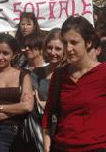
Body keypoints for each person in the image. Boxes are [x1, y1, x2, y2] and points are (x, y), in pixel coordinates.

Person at [42, 16, 106, 151]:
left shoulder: (103, 73)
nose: (68, 48)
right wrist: (46, 144)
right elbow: (48, 113)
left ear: (88, 43)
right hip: (62, 147)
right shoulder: (59, 75)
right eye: (65, 43)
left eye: (74, 42)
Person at [0, 33, 34, 152]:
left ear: (14, 55)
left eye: (5, 53)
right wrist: (19, 110)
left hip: (24, 134)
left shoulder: (24, 76)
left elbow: (28, 106)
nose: (0, 57)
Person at [30, 28, 64, 109]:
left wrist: (46, 105)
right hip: (40, 120)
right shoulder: (36, 73)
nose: (53, 52)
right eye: (50, 48)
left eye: (58, 49)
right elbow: (32, 101)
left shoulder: (71, 72)